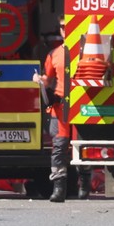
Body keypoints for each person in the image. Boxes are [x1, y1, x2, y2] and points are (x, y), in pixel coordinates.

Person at [36, 36, 74, 202]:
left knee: (84, 146)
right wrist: (40, 81)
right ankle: (59, 188)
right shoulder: (55, 54)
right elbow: (48, 78)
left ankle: (84, 183)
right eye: (62, 26)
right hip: (59, 109)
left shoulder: (87, 50)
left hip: (82, 108)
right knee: (59, 147)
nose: (66, 29)